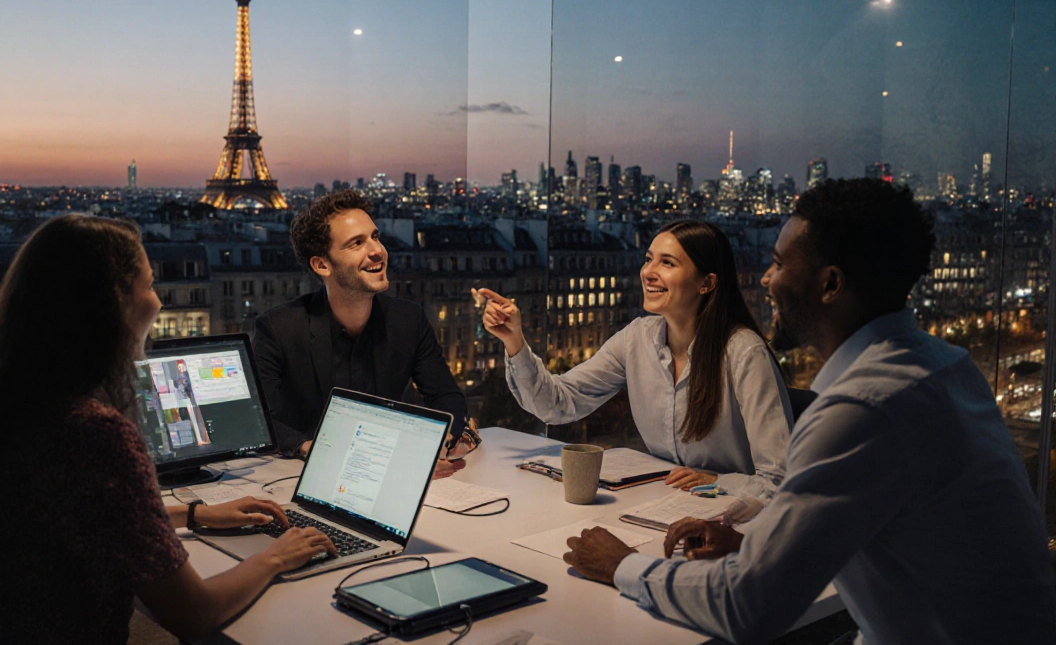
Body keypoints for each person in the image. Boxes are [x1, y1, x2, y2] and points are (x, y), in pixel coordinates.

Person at [563, 179, 1056, 644]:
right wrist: (747, 546)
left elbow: (747, 608)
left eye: (780, 264)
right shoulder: (945, 366)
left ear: (830, 284)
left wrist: (622, 565)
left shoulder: (861, 409)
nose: (766, 278)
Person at [0, 215, 337, 644]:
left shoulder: (11, 406)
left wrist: (194, 514)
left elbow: (75, 515)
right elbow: (195, 615)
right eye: (148, 285)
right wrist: (275, 557)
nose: (158, 303)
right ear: (110, 307)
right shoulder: (95, 433)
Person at [480, 219, 790, 500]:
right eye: (648, 259)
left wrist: (718, 482)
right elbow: (557, 404)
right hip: (663, 504)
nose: (647, 272)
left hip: (730, 522)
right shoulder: (637, 338)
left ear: (706, 283)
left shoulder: (744, 353)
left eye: (667, 263)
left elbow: (780, 481)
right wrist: (514, 341)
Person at [252, 190, 477, 474]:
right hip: (303, 476)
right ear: (322, 265)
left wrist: (443, 439)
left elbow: (447, 397)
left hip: (390, 472)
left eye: (375, 236)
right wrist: (308, 447)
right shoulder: (279, 328)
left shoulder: (409, 320)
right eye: (357, 243)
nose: (377, 250)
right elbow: (260, 419)